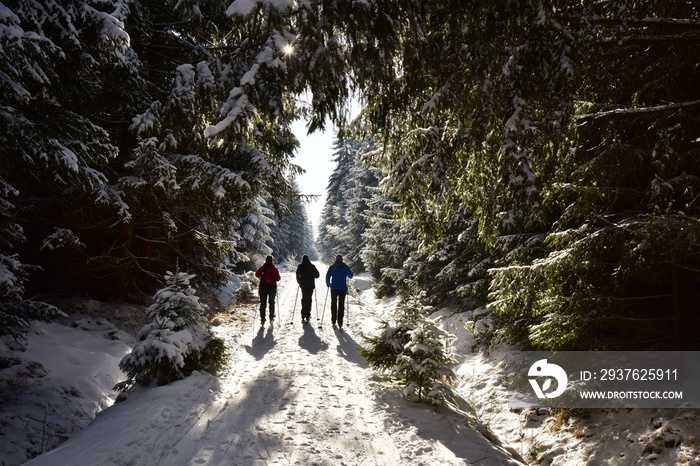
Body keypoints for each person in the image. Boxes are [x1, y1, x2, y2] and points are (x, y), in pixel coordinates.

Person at [325, 254, 353, 329]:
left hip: (334, 288)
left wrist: (328, 284)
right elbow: (350, 276)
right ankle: (340, 322)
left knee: (333, 304)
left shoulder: (332, 267)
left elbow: (328, 276)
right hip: (342, 288)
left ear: (336, 259)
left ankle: (333, 320)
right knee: (341, 305)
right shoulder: (345, 267)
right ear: (342, 259)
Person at [255, 255, 281, 325]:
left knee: (263, 303)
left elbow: (256, 274)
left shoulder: (262, 268)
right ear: (271, 260)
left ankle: (262, 319)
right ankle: (271, 317)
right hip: (272, 288)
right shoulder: (274, 269)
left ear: (266, 260)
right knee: (271, 303)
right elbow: (278, 278)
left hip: (263, 287)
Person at [296, 255, 320, 325]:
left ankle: (303, 314)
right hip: (310, 286)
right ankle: (308, 315)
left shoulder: (300, 266)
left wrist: (299, 282)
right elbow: (317, 275)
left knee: (304, 298)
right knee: (309, 299)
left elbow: (297, 275)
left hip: (303, 286)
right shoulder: (312, 266)